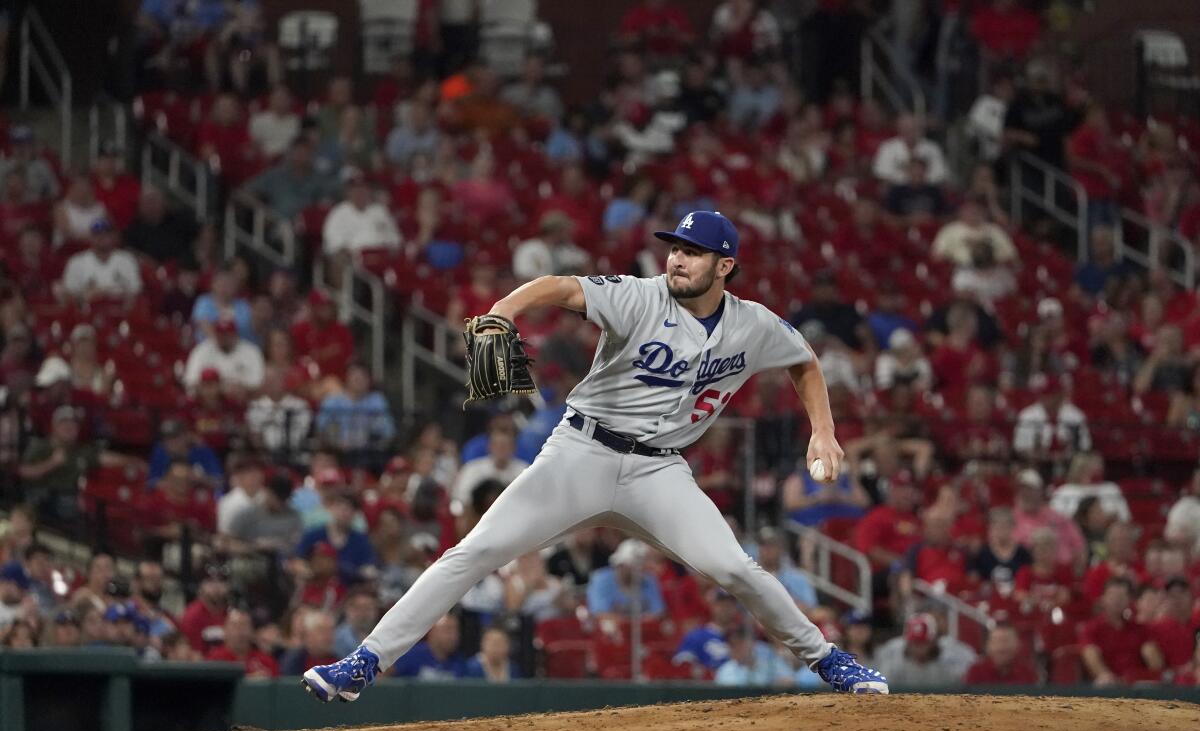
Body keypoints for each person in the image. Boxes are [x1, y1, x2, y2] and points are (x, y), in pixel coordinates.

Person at [302, 211, 889, 701]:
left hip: (660, 470)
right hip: (581, 451)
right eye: (675, 249)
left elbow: (803, 359)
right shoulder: (638, 297)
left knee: (736, 568)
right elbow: (560, 287)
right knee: (475, 551)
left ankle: (830, 662)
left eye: (693, 252)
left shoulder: (751, 324)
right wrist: (504, 309)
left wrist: (824, 430)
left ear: (725, 266)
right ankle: (363, 664)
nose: (677, 259)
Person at [1080, 577, 1164, 685]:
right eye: (1113, 596)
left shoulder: (1140, 629)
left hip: (1136, 686)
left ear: (1129, 600)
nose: (1117, 600)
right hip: (1106, 686)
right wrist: (1104, 675)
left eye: (1122, 596)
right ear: (1103, 599)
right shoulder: (1091, 628)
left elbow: (1155, 661)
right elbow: (1090, 654)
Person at [314, 362, 397, 454]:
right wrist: (337, 444)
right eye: (355, 376)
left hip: (369, 454)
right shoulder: (332, 401)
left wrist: (372, 445)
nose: (358, 380)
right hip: (338, 453)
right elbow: (321, 431)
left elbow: (388, 433)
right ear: (347, 378)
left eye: (362, 377)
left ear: (369, 380)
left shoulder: (377, 400)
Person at [872, 613, 974, 686]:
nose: (919, 648)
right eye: (915, 643)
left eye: (923, 643)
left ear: (934, 641)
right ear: (907, 642)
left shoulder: (952, 656)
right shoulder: (892, 657)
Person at [60, 219, 142, 302]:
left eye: (107, 234)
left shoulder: (127, 259)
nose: (103, 238)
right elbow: (68, 294)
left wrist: (112, 294)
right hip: (88, 311)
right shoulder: (76, 262)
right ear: (91, 237)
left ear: (114, 236)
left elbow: (136, 290)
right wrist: (90, 294)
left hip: (120, 310)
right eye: (98, 234)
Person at [450, 429, 529, 510]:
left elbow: (528, 499)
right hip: (478, 515)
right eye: (497, 445)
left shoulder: (525, 471)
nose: (501, 449)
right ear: (489, 447)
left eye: (505, 446)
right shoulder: (472, 468)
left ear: (513, 448)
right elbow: (461, 497)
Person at [183, 318, 265, 395]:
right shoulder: (201, 351)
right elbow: (191, 382)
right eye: (221, 334)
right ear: (216, 334)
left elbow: (258, 384)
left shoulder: (251, 351)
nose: (224, 338)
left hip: (245, 402)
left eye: (227, 334)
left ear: (235, 334)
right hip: (210, 405)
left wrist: (237, 388)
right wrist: (217, 388)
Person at [872, 114, 949, 186]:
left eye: (913, 129)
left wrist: (918, 181)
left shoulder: (932, 148)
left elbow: (939, 174)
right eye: (905, 129)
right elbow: (882, 175)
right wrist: (909, 180)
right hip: (897, 192)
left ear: (920, 130)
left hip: (927, 191)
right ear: (899, 129)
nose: (909, 132)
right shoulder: (887, 147)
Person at [391, 614, 468, 680]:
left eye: (456, 631)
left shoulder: (459, 662)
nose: (454, 636)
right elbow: (385, 679)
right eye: (448, 630)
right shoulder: (411, 655)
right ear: (432, 631)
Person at [207, 608, 280, 677]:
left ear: (252, 632)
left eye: (244, 626)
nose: (240, 632)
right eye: (234, 626)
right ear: (225, 631)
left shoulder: (267, 662)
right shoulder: (214, 661)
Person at [963, 623, 1037, 685]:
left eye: (1006, 641)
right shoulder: (976, 672)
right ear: (988, 646)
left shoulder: (1027, 673)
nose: (1001, 647)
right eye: (996, 641)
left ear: (1017, 644)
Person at [280, 610, 339, 676]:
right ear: (308, 634)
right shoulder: (293, 661)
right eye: (322, 631)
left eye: (331, 630)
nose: (328, 636)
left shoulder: (338, 663)